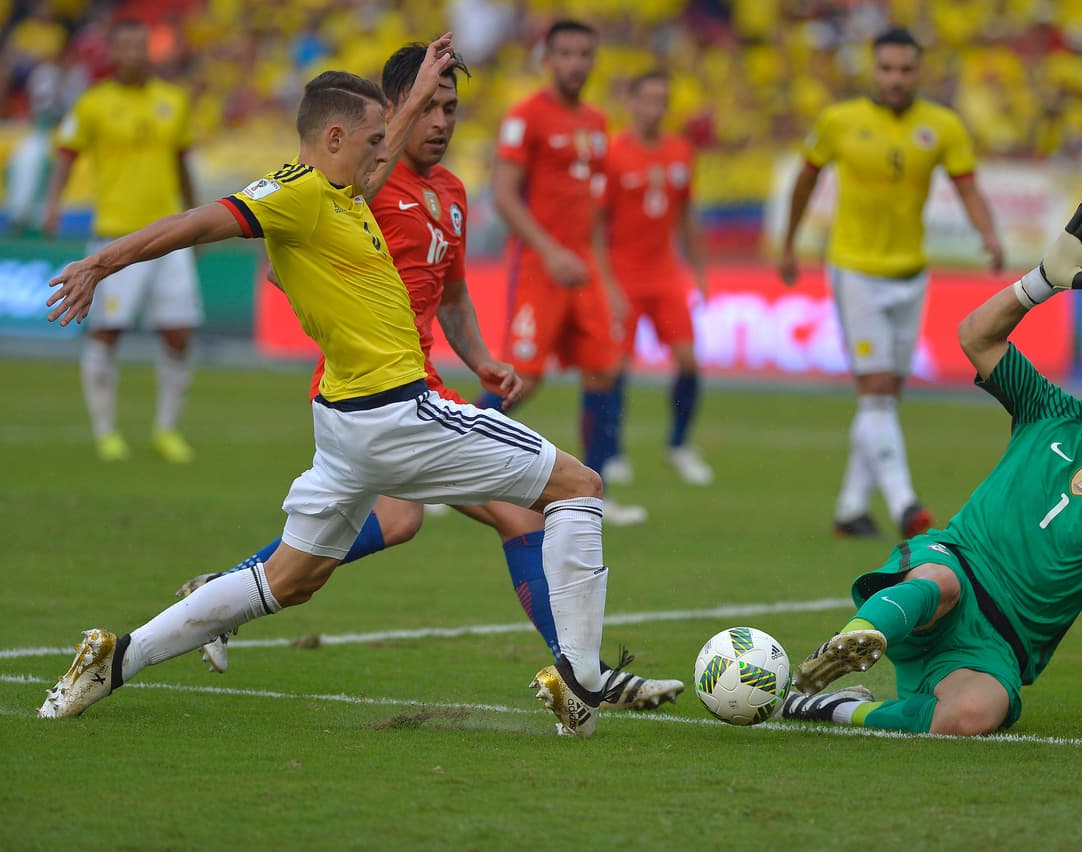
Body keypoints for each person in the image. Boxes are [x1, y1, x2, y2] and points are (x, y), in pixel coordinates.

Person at [39, 39, 615, 738]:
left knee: (289, 581)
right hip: (398, 412)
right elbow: (194, 224)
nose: (385, 153)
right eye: (374, 140)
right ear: (335, 138)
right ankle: (585, 677)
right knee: (578, 486)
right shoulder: (300, 197)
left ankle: (115, 659)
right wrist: (101, 261)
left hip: (346, 428)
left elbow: (370, 163)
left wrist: (416, 91)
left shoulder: (341, 195)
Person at [177, 43, 683, 712]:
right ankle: (581, 674)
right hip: (372, 392)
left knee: (435, 520)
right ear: (390, 114)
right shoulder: (366, 184)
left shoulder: (450, 192)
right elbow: (285, 256)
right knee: (510, 512)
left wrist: (482, 361)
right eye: (430, 107)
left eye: (452, 109)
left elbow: (452, 294)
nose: (442, 122)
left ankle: (223, 592)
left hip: (423, 388)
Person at [781, 202, 1082, 736]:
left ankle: (832, 707)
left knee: (972, 717)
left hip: (998, 642)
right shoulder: (1048, 411)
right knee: (937, 582)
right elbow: (975, 335)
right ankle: (847, 643)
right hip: (957, 566)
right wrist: (1041, 281)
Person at [779, 26, 1004, 540]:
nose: (896, 78)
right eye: (887, 69)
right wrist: (790, 242)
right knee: (876, 389)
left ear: (917, 72)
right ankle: (905, 503)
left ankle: (850, 509)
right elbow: (805, 180)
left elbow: (968, 188)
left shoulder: (942, 126)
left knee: (885, 399)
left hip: (910, 272)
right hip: (855, 269)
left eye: (905, 69)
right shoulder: (840, 121)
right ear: (873, 70)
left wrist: (988, 234)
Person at [485, 18, 647, 526]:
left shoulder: (598, 124)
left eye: (584, 54)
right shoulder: (527, 116)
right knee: (523, 380)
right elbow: (504, 195)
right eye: (567, 54)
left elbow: (595, 214)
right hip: (540, 265)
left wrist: (608, 278)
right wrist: (550, 251)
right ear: (547, 60)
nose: (576, 63)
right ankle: (443, 469)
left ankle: (594, 491)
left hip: (584, 270)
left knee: (605, 370)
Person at [43, 18, 201, 463]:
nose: (134, 54)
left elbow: (183, 164)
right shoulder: (93, 103)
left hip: (171, 235)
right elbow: (66, 154)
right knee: (107, 331)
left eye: (140, 46)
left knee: (179, 333)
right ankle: (106, 432)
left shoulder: (173, 101)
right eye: (126, 47)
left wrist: (199, 221)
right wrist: (52, 203)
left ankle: (166, 430)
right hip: (115, 236)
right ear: (112, 54)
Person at [595, 69, 713, 487]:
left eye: (661, 100)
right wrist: (606, 282)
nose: (654, 108)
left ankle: (679, 444)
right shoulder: (612, 153)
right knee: (615, 366)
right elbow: (595, 223)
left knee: (687, 360)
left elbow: (686, 217)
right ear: (631, 102)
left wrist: (699, 271)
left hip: (665, 273)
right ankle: (612, 452)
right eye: (647, 99)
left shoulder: (681, 151)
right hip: (623, 272)